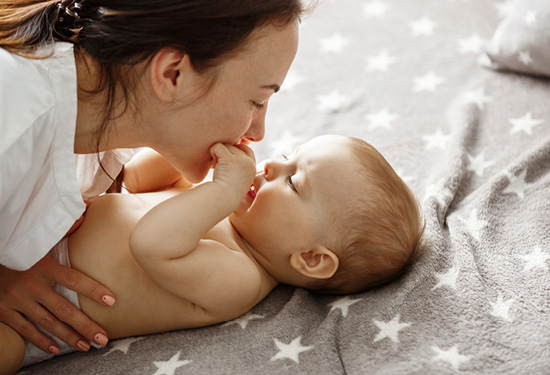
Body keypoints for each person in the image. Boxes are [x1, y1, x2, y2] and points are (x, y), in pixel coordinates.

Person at [0, 0, 306, 357]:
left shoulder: (98, 123)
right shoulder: (15, 127)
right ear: (172, 74)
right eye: (257, 101)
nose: (258, 133)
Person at [0, 134, 424, 373]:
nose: (273, 167)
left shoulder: (240, 279)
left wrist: (221, 192)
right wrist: (190, 156)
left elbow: (152, 245)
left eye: (294, 182)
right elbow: (133, 179)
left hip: (41, 316)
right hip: (29, 234)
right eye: (287, 156)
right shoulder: (217, 204)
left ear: (310, 258)